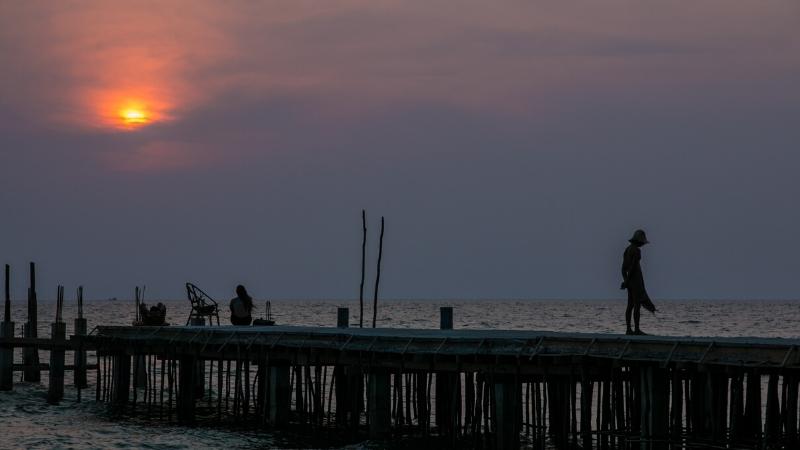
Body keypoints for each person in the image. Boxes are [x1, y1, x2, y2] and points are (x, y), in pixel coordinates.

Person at [621, 229, 657, 335]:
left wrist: (626, 281)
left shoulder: (627, 250)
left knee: (630, 305)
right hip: (635, 282)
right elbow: (632, 268)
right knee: (636, 305)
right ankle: (636, 329)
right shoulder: (636, 251)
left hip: (630, 282)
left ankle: (628, 329)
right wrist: (627, 281)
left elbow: (623, 269)